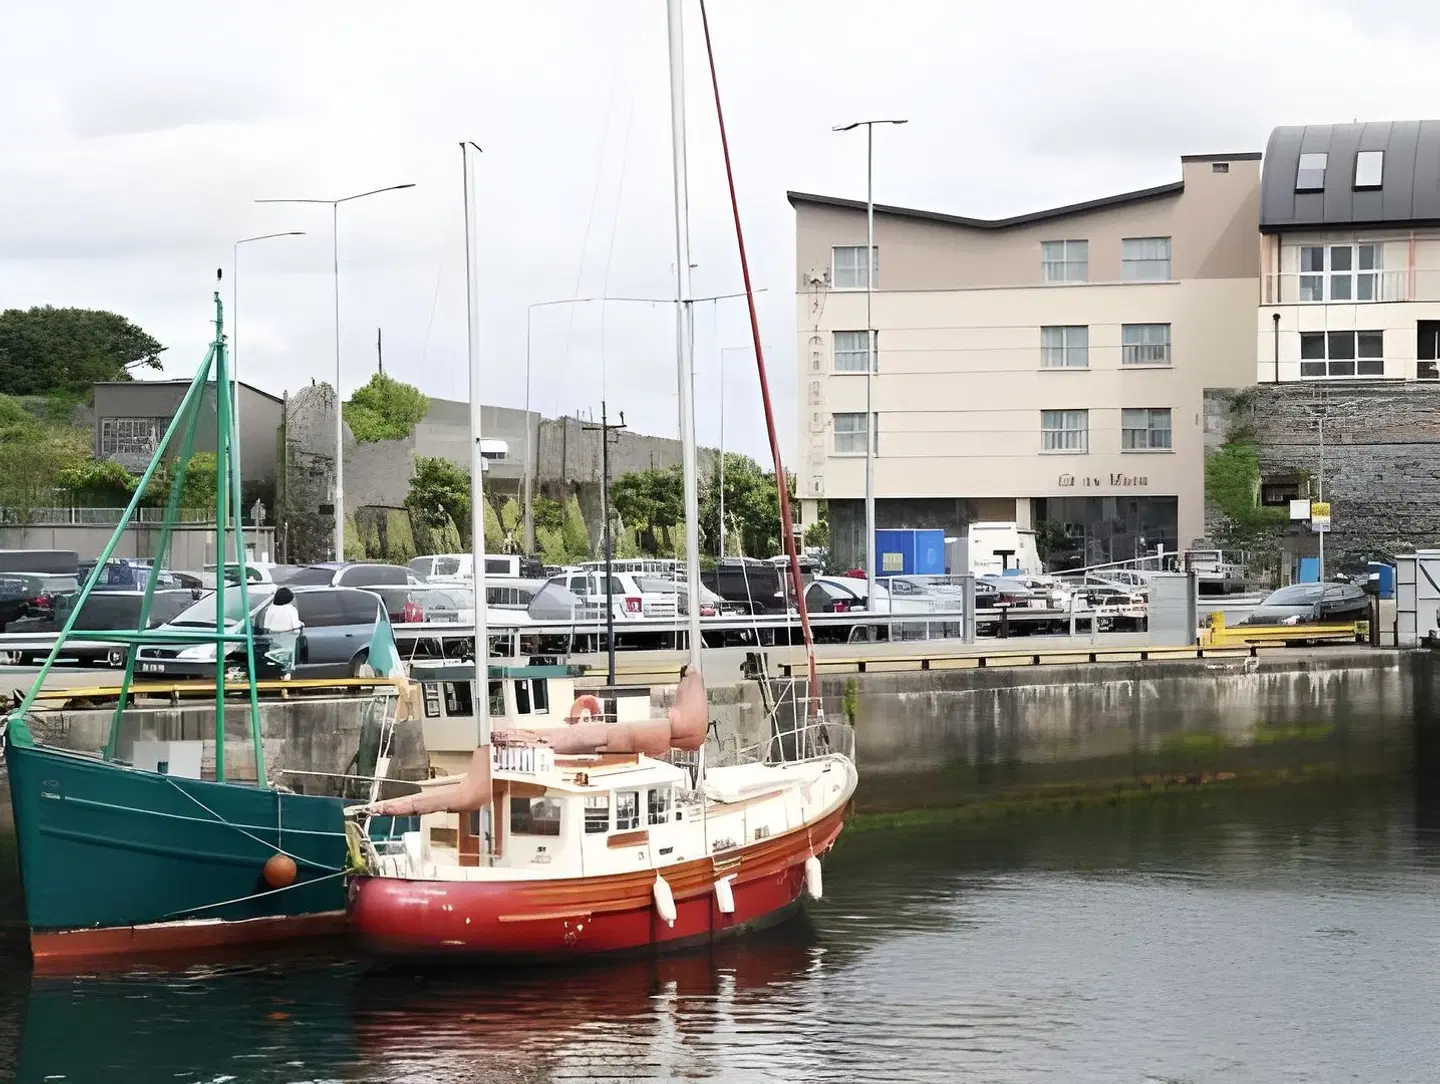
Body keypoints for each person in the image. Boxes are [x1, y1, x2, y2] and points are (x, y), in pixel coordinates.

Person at [263, 586, 303, 679]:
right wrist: (301, 625)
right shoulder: (291, 609)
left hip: (274, 636)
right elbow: (295, 626)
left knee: (276, 656)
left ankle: (277, 674)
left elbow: (266, 626)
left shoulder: (270, 609)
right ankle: (286, 677)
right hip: (288, 636)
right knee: (288, 660)